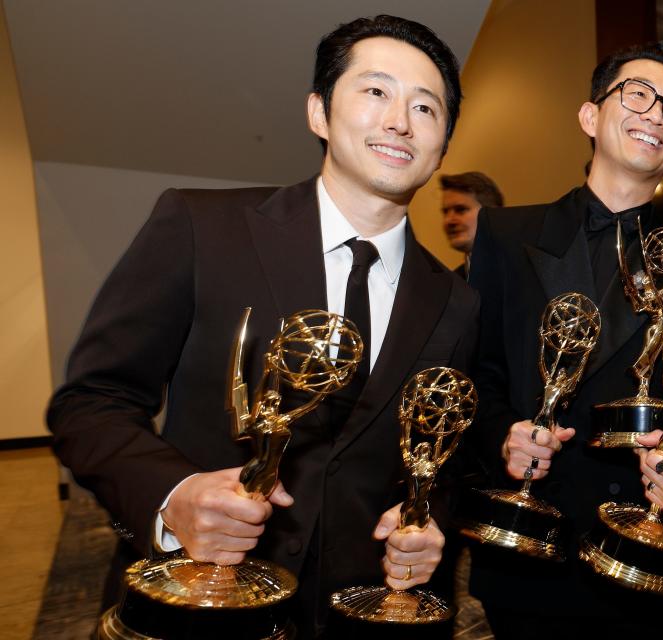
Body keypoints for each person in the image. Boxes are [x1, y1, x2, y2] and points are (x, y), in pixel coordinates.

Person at [46, 15, 479, 637]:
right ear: (318, 113)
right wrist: (174, 497)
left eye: (426, 107)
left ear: (441, 146)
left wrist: (428, 521)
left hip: (357, 613)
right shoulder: (201, 228)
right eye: (376, 91)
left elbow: (446, 458)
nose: (399, 121)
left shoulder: (456, 301)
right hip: (200, 601)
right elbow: (92, 403)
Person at [467, 41, 663, 637]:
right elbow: (475, 371)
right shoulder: (506, 235)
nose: (657, 114)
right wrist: (501, 437)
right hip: (532, 540)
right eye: (638, 94)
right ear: (591, 116)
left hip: (643, 550)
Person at [439, 171, 503, 278]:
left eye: (461, 210)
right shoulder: (450, 285)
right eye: (445, 212)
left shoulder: (524, 273)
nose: (448, 221)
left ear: (491, 214)